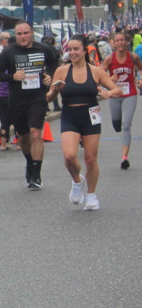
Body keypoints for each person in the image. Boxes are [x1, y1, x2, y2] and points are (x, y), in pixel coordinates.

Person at [46, 35, 122, 210]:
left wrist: (108, 93)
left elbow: (117, 90)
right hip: (69, 115)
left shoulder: (95, 71)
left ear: (84, 50)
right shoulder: (62, 71)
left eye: (76, 49)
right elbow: (49, 97)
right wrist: (55, 91)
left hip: (90, 116)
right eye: (70, 49)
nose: (72, 53)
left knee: (90, 159)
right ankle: (77, 181)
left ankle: (91, 195)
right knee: (69, 156)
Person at [0, 20, 58, 189]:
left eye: (26, 33)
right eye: (19, 34)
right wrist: (12, 77)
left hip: (37, 98)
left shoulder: (43, 49)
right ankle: (30, 161)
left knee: (36, 133)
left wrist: (50, 77)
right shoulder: (8, 52)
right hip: (17, 100)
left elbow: (54, 63)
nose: (23, 37)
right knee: (23, 136)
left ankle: (36, 174)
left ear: (32, 33)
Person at [100, 31, 142, 169]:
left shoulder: (133, 57)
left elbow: (140, 69)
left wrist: (140, 79)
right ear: (113, 43)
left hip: (130, 94)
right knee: (117, 124)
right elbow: (99, 75)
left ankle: (124, 157)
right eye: (117, 40)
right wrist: (108, 80)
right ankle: (118, 126)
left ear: (126, 42)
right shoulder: (110, 59)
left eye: (122, 40)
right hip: (115, 95)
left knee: (126, 124)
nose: (120, 43)